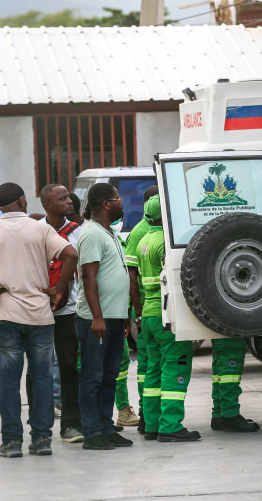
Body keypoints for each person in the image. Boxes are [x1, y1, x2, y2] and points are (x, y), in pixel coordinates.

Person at [0, 182, 77, 458]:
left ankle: (12, 442)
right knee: (43, 379)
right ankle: (42, 439)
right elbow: (70, 254)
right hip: (40, 315)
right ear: (23, 201)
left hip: (6, 314)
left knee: (9, 383)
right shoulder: (41, 228)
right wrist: (59, 288)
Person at [135, 195, 200, 442]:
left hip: (149, 315)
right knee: (175, 367)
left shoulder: (144, 240)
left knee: (153, 371)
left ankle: (152, 425)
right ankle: (170, 426)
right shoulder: (165, 241)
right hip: (167, 316)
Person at [75, 183, 133, 451]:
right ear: (106, 203)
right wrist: (97, 317)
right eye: (118, 199)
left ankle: (106, 428)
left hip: (114, 317)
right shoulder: (92, 234)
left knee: (110, 375)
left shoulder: (108, 233)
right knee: (93, 376)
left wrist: (121, 317)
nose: (122, 203)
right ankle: (92, 432)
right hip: (96, 320)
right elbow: (88, 277)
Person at [37, 184, 82, 443]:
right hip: (39, 310)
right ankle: (39, 427)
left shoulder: (77, 232)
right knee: (38, 369)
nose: (69, 201)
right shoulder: (35, 231)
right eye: (62, 198)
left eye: (68, 197)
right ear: (48, 206)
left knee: (69, 368)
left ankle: (71, 425)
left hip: (69, 310)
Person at [121, 185, 158, 433]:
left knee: (152, 364)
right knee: (146, 365)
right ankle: (147, 411)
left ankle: (151, 413)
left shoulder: (158, 229)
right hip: (146, 309)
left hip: (154, 309)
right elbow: (131, 278)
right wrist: (137, 313)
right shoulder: (139, 233)